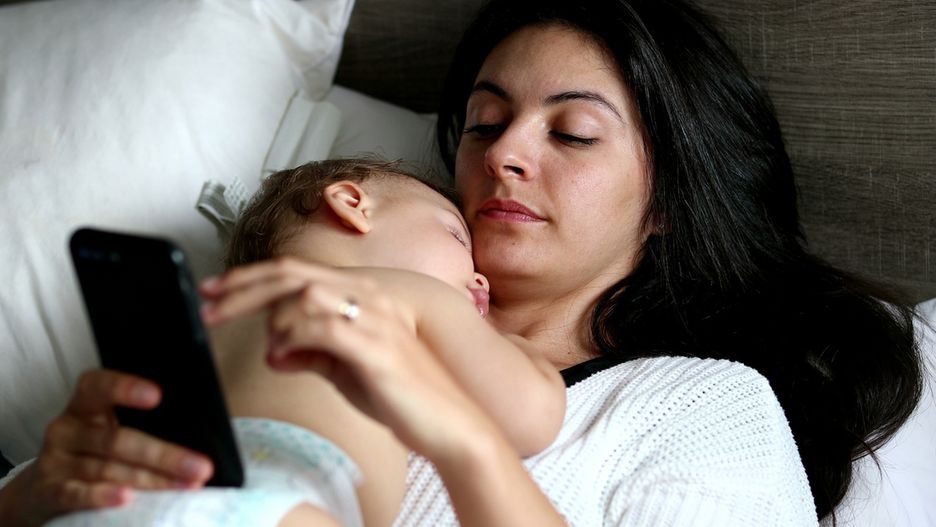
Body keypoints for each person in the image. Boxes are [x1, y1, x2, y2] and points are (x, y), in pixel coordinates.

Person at [0, 0, 924, 525]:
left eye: (572, 131)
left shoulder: (701, 403)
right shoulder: (283, 309)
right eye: (484, 123)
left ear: (669, 204)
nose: (504, 153)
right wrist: (42, 488)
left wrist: (458, 438)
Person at [0, 158, 565, 527]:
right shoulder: (398, 294)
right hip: (272, 505)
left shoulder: (203, 316)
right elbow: (526, 416)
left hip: (110, 504)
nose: (480, 277)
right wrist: (522, 347)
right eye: (456, 236)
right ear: (352, 204)